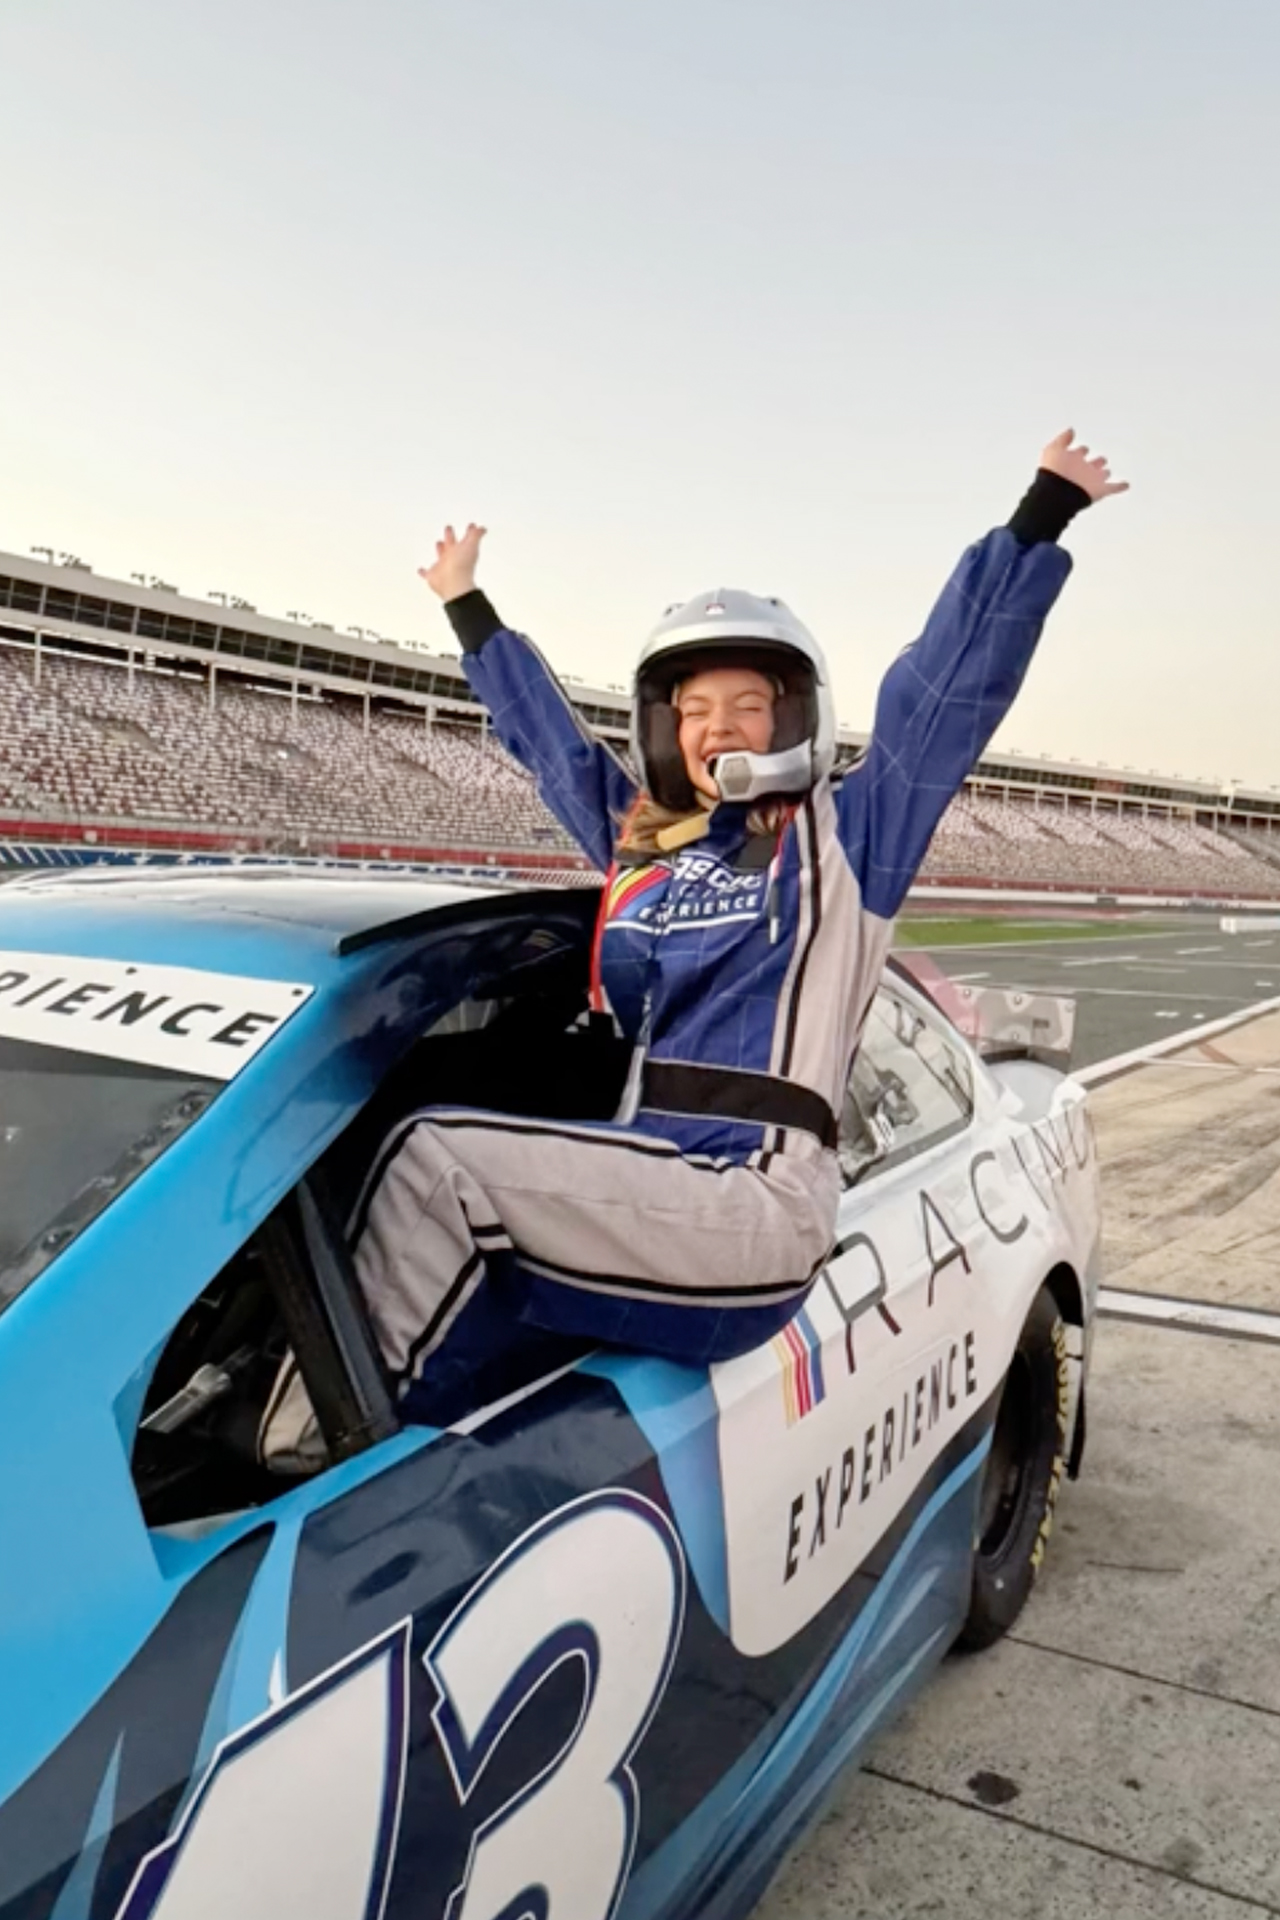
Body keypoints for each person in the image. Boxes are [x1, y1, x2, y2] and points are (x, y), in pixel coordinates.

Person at [294, 430, 1126, 1441]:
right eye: (692, 708)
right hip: (641, 1179)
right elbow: (551, 746)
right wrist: (466, 607)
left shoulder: (848, 836)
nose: (715, 724)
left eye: (744, 703)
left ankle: (311, 1462)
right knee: (347, 1160)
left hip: (754, 1206)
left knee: (435, 1167)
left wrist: (1037, 515)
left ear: (793, 719)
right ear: (663, 727)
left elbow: (943, 695)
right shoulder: (642, 846)